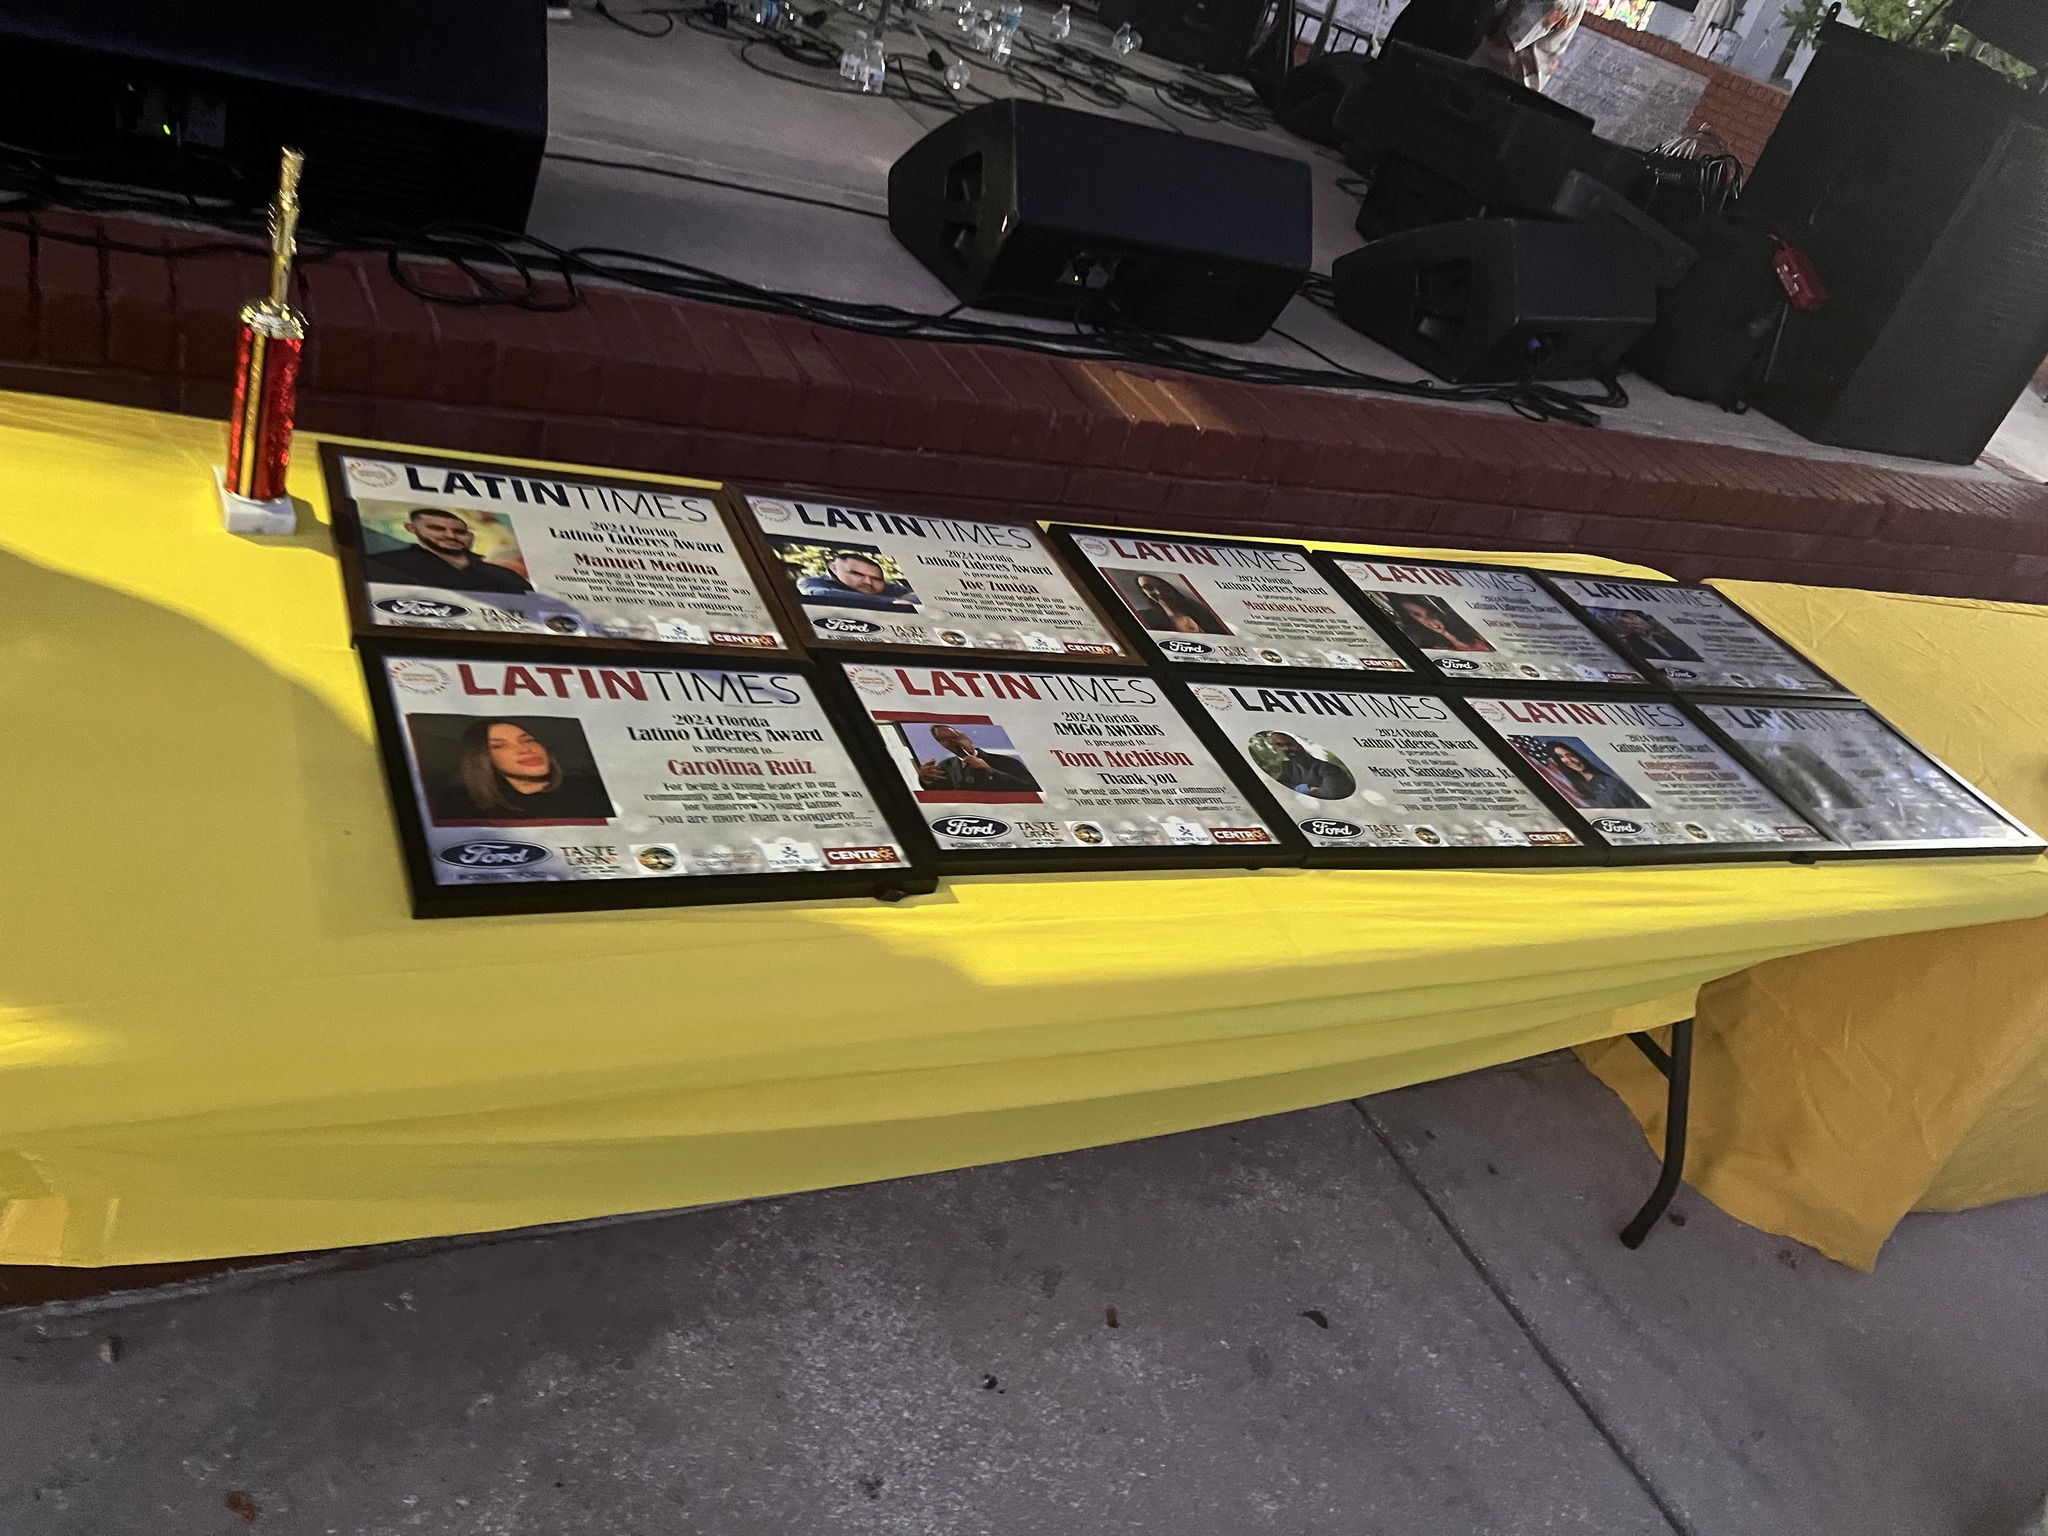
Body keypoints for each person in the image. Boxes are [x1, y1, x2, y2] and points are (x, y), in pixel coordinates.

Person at [438, 719, 615, 821]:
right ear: (482, 758)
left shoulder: (592, 791)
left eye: (528, 740)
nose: (525, 749)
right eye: (499, 746)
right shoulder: (461, 805)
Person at [364, 508, 534, 595]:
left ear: (470, 536)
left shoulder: (507, 576)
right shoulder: (385, 565)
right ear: (411, 528)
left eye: (460, 532)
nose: (451, 536)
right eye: (436, 528)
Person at [916, 724, 1041, 794]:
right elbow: (940, 794)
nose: (953, 742)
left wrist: (989, 770)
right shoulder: (945, 766)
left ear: (967, 738)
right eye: (945, 740)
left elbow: (1031, 788)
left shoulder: (1006, 762)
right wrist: (926, 780)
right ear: (941, 744)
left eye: (955, 737)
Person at [794, 549, 917, 612]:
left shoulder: (886, 588)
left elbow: (919, 596)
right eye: (857, 574)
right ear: (834, 568)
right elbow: (823, 595)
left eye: (876, 578)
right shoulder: (812, 582)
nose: (868, 582)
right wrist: (892, 601)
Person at [1541, 739, 1644, 810]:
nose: (1569, 760)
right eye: (1561, 757)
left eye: (1570, 755)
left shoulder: (1610, 782)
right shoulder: (1572, 788)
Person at [1259, 732, 1357, 800]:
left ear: (1300, 745)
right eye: (1280, 745)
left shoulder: (1329, 769)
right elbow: (1279, 789)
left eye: (1290, 744)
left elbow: (1329, 793)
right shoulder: (1287, 768)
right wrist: (1304, 788)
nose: (1286, 748)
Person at [1128, 573, 1231, 635]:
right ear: (1145, 593)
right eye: (1149, 588)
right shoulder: (1145, 617)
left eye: (1160, 586)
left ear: (1169, 587)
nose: (1158, 591)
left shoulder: (1200, 610)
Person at [1591, 607, 1704, 664]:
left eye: (1633, 618)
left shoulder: (1667, 636)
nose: (1633, 622)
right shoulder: (1630, 642)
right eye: (1627, 618)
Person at [1388, 594, 1496, 653]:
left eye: (1428, 614)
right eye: (1417, 615)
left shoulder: (1470, 630)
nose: (1428, 620)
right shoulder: (1431, 648)